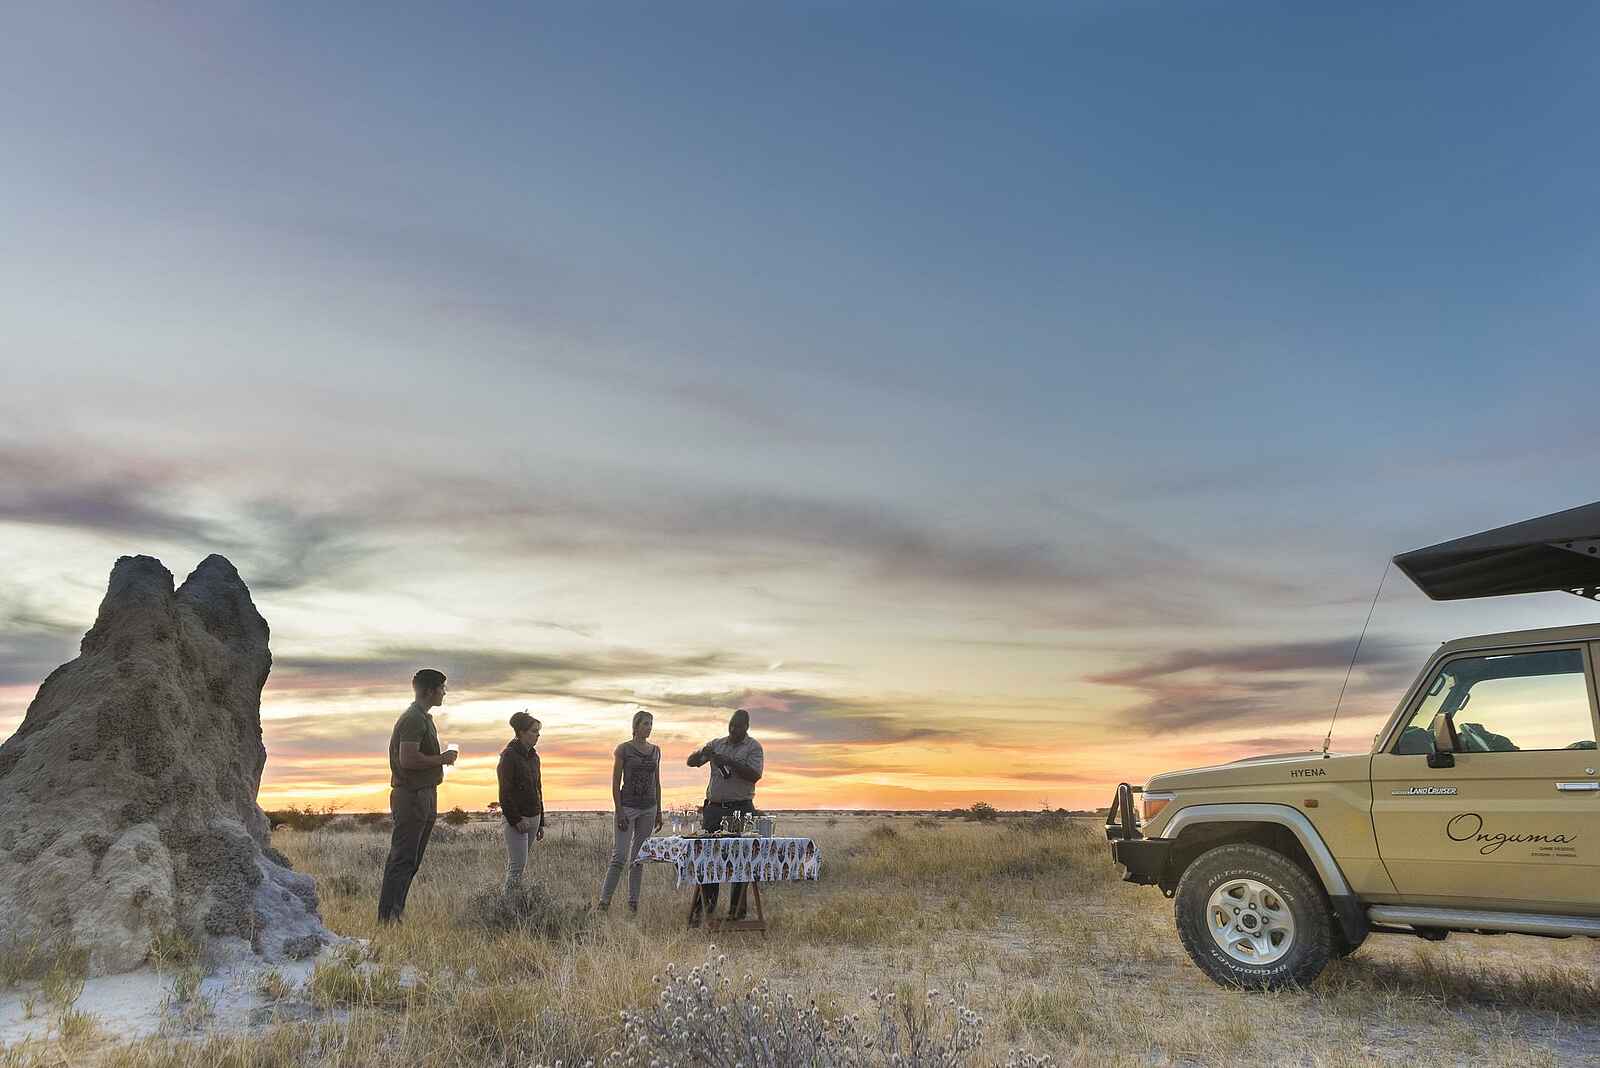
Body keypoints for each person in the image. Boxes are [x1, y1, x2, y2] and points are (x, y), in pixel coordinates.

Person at [377, 668, 458, 923]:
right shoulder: (413, 718)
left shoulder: (422, 718)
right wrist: (442, 759)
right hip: (411, 796)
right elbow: (408, 758)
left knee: (411, 860)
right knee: (403, 858)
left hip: (423, 794)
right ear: (429, 691)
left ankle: (394, 914)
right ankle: (389, 918)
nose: (444, 692)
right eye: (442, 688)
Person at [686, 708, 763, 924]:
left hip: (740, 809)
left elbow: (754, 775)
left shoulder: (753, 747)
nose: (732, 730)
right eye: (730, 725)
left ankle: (736, 912)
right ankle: (706, 909)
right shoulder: (718, 743)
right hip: (714, 809)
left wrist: (728, 761)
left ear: (746, 727)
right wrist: (704, 752)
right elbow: (691, 762)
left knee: (739, 859)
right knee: (710, 858)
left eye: (737, 727)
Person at [598, 709, 663, 913]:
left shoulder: (655, 750)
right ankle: (603, 903)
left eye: (651, 724)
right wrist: (619, 811)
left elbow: (657, 782)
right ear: (636, 726)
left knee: (639, 857)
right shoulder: (624, 749)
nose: (649, 727)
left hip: (649, 807)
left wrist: (659, 810)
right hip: (628, 806)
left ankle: (633, 904)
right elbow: (616, 781)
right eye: (645, 723)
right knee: (619, 856)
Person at [498, 710, 546, 893]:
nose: (538, 735)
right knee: (517, 866)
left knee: (520, 866)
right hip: (518, 819)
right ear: (521, 732)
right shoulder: (508, 756)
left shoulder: (534, 757)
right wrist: (516, 819)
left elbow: (538, 789)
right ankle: (506, 907)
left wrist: (541, 821)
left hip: (533, 817)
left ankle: (513, 903)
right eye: (534, 731)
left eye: (538, 731)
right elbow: (505, 791)